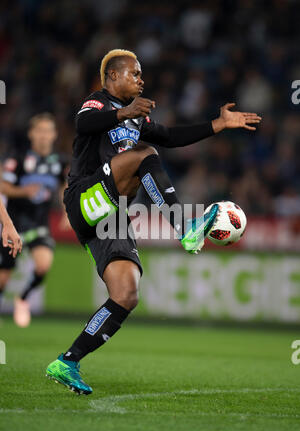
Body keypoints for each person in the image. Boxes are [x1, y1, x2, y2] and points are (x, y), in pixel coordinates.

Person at [46, 49, 261, 394]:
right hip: (84, 198)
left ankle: (67, 361)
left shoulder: (135, 120)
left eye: (141, 74)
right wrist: (123, 112)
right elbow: (82, 124)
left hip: (110, 216)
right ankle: (184, 229)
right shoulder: (97, 103)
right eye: (135, 74)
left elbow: (171, 136)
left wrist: (217, 125)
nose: (141, 80)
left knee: (127, 294)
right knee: (145, 154)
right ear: (113, 76)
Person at [0, 113, 68, 327]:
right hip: (14, 224)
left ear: (54, 135)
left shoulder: (59, 162)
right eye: (40, 131)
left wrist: (66, 211)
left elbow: (64, 187)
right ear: (31, 134)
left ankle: (23, 298)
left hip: (39, 224)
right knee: (3, 278)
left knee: (43, 265)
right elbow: (3, 187)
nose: (44, 136)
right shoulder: (17, 158)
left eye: (48, 131)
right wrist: (23, 191)